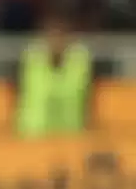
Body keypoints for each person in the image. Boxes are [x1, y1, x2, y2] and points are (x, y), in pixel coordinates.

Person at [14, 8, 96, 138]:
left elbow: (87, 99)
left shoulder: (80, 61)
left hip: (71, 135)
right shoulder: (32, 59)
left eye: (61, 35)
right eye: (52, 35)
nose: (56, 41)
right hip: (34, 136)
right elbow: (18, 94)